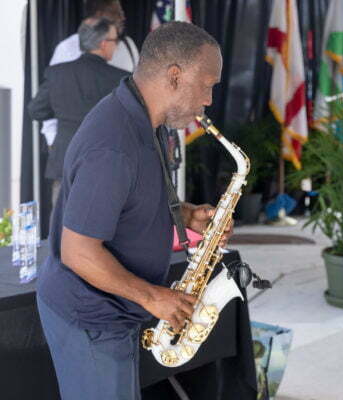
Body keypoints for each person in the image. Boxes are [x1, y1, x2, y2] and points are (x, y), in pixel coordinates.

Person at [35, 21, 226, 399]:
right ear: (175, 76)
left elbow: (131, 197)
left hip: (115, 311)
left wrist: (184, 214)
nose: (208, 100)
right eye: (207, 85)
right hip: (90, 317)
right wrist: (154, 297)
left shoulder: (146, 119)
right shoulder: (114, 146)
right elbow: (79, 252)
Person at [28, 18, 129, 206]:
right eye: (115, 41)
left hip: (65, 161)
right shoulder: (120, 79)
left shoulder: (57, 73)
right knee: (102, 226)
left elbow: (36, 110)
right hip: (104, 164)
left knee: (61, 226)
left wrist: (64, 110)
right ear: (103, 43)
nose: (116, 46)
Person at [40, 0, 139, 149]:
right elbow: (51, 97)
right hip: (71, 146)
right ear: (97, 16)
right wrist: (53, 140)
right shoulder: (67, 48)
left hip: (115, 146)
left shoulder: (128, 45)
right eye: (115, 14)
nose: (122, 18)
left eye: (121, 13)